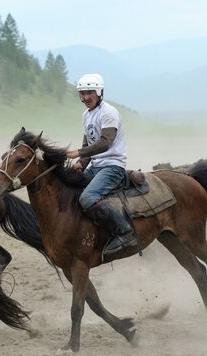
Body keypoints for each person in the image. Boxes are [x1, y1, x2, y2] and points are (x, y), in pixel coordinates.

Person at [65, 73, 136, 256]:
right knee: (68, 184)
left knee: (87, 198)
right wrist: (80, 164)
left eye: (90, 92)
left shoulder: (108, 113)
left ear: (99, 92)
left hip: (112, 166)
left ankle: (125, 232)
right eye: (82, 93)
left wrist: (78, 154)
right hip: (96, 166)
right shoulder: (86, 115)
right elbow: (88, 143)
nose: (85, 97)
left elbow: (105, 142)